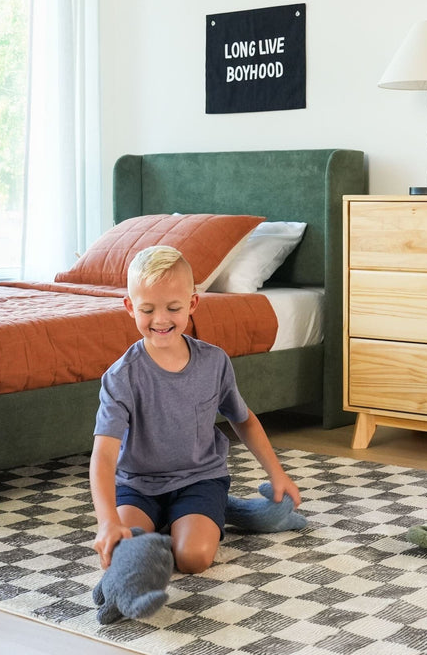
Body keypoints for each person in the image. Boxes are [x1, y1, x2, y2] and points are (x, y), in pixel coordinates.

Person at [90, 244, 301, 574]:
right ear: (130, 307)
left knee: (193, 559)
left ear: (192, 303)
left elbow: (243, 419)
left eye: (173, 308)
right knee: (125, 554)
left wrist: (277, 473)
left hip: (199, 480)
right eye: (147, 310)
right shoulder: (122, 376)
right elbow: (103, 455)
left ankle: (207, 511)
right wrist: (107, 522)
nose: (160, 319)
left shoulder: (214, 362)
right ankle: (187, 520)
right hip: (138, 485)